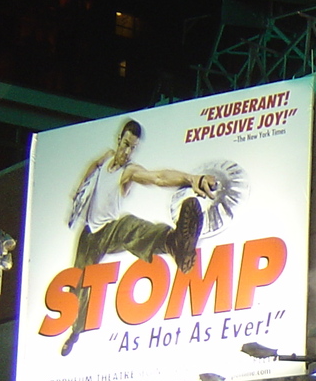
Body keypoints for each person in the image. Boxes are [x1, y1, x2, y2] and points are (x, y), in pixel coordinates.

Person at [59, 118, 220, 355]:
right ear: (119, 141)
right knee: (79, 283)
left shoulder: (129, 172)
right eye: (125, 145)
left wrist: (190, 179)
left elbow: (158, 177)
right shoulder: (105, 157)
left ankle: (175, 242)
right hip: (89, 235)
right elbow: (93, 165)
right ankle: (75, 331)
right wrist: (78, 190)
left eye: (133, 147)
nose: (127, 152)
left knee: (130, 227)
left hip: (110, 230)